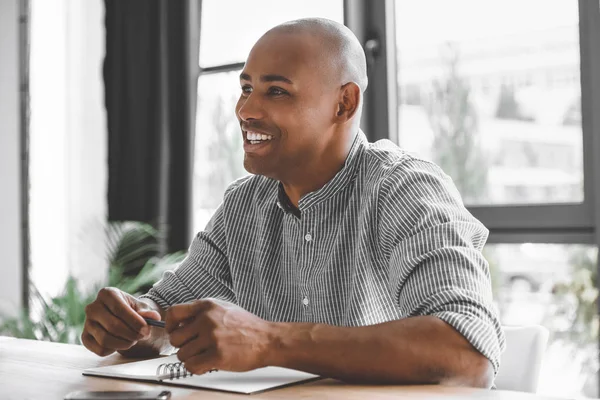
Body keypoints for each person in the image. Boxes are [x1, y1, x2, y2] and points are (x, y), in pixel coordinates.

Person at [82, 18, 505, 388]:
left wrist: (269, 341)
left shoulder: (403, 189)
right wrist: (136, 323)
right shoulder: (243, 206)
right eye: (246, 88)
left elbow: (467, 352)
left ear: (345, 103)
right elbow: (169, 316)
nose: (245, 110)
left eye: (277, 92)